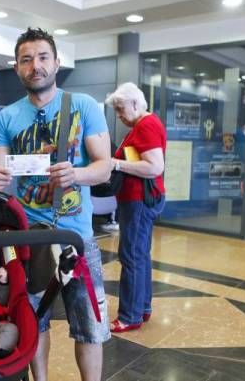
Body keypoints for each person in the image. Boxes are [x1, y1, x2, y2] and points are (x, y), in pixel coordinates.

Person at [0, 27, 111, 381]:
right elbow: (0, 172)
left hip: (77, 238)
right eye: (26, 60)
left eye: (42, 58)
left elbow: (104, 167)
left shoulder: (83, 106)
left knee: (89, 325)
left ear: (56, 62)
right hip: (30, 238)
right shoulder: (6, 118)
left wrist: (76, 175)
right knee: (34, 321)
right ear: (17, 67)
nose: (35, 66)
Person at [105, 82, 166, 332]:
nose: (119, 116)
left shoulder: (146, 125)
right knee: (140, 254)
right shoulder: (144, 124)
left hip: (139, 200)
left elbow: (154, 166)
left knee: (130, 255)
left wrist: (116, 164)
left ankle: (130, 315)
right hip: (138, 200)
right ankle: (142, 306)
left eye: (120, 109)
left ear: (134, 103)